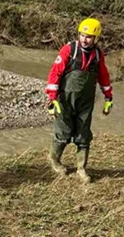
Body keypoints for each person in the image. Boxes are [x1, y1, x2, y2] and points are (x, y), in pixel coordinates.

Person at [45, 18, 113, 183]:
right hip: (65, 100)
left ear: (96, 38)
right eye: (82, 35)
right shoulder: (69, 50)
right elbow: (55, 73)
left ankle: (81, 168)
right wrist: (52, 98)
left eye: (89, 36)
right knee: (64, 132)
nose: (84, 39)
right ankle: (54, 160)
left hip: (85, 102)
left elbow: (103, 75)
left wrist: (108, 95)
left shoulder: (97, 55)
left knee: (83, 135)